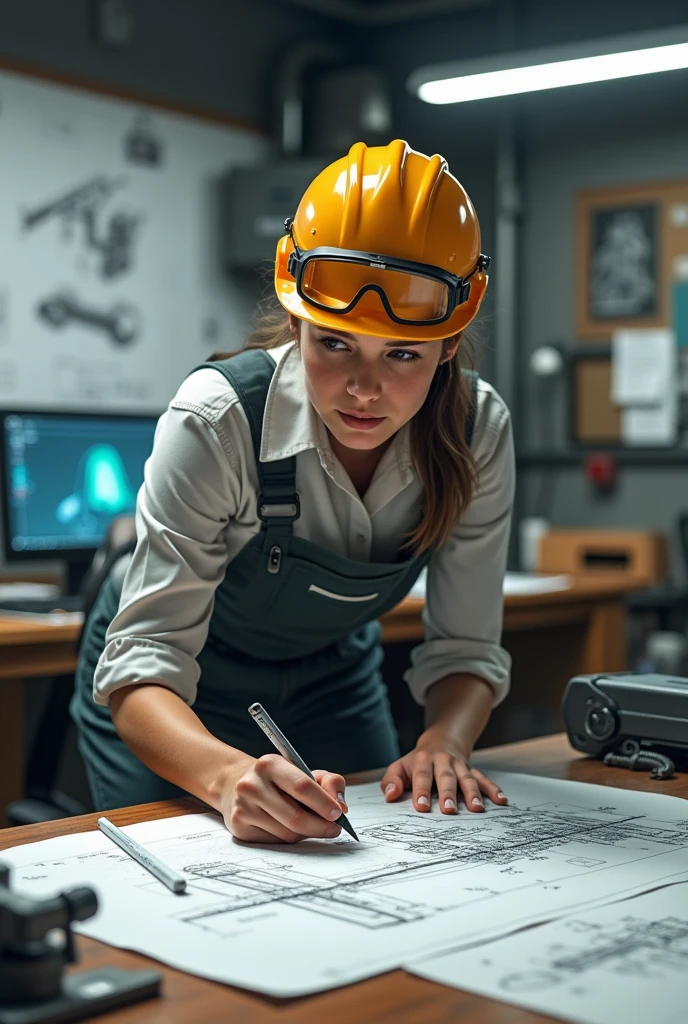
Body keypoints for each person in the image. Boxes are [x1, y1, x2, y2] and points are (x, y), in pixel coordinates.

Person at [71, 139, 515, 844]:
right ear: (299, 314)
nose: (364, 388)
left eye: (402, 354)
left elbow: (465, 648)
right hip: (171, 693)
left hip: (333, 676)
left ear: (450, 341)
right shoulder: (216, 421)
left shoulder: (476, 431)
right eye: (335, 343)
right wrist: (225, 779)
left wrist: (445, 743)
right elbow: (144, 659)